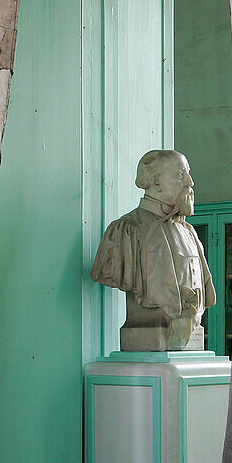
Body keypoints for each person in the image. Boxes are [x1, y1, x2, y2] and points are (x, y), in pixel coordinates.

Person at [91, 149, 216, 351]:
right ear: (156, 182)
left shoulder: (189, 232)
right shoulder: (127, 229)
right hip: (147, 333)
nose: (190, 182)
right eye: (181, 175)